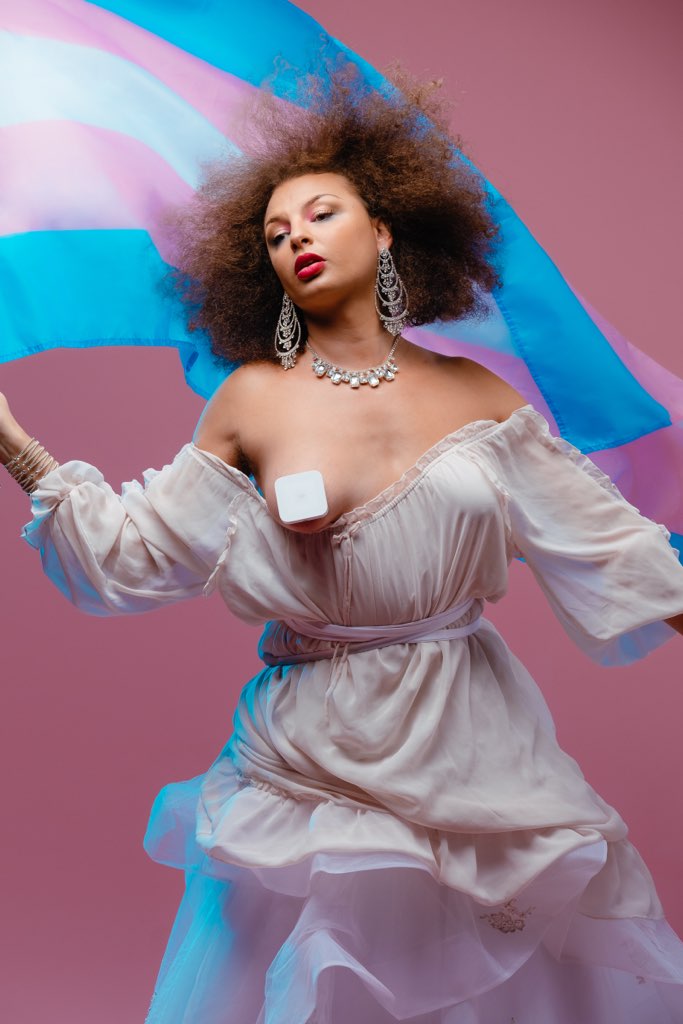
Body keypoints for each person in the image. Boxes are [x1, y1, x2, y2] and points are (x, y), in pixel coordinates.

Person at [3, 66, 683, 1023]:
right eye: (276, 235)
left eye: (319, 216)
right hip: (307, 765)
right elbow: (134, 559)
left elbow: (614, 550)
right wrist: (13, 441)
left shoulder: (478, 399)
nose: (296, 242)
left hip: (474, 750)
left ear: (388, 227)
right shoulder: (252, 399)